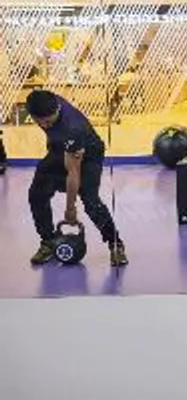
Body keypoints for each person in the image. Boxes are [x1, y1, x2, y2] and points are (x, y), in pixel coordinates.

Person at [25, 90, 128, 267]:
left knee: (91, 201)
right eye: (39, 121)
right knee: (37, 193)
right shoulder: (45, 103)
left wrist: (70, 209)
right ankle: (48, 241)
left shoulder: (73, 128)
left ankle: (115, 244)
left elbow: (73, 172)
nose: (44, 125)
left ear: (58, 109)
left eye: (48, 121)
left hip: (89, 155)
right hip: (60, 149)